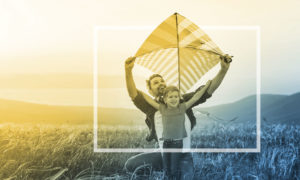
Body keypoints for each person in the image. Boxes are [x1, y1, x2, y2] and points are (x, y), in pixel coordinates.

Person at [124, 55, 231, 179]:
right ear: (150, 90)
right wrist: (128, 71)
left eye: (162, 80)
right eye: (156, 82)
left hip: (183, 152)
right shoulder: (150, 107)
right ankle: (160, 170)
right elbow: (134, 94)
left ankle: (176, 169)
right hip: (165, 151)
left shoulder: (181, 101)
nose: (161, 83)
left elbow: (206, 92)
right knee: (130, 164)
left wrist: (223, 70)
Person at [141, 81, 211, 179]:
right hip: (166, 143)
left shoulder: (182, 107)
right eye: (170, 97)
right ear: (165, 100)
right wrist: (140, 92)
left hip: (177, 143)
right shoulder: (162, 109)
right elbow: (150, 101)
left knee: (174, 168)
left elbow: (196, 97)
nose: (173, 99)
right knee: (167, 169)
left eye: (176, 96)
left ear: (179, 98)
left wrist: (207, 85)